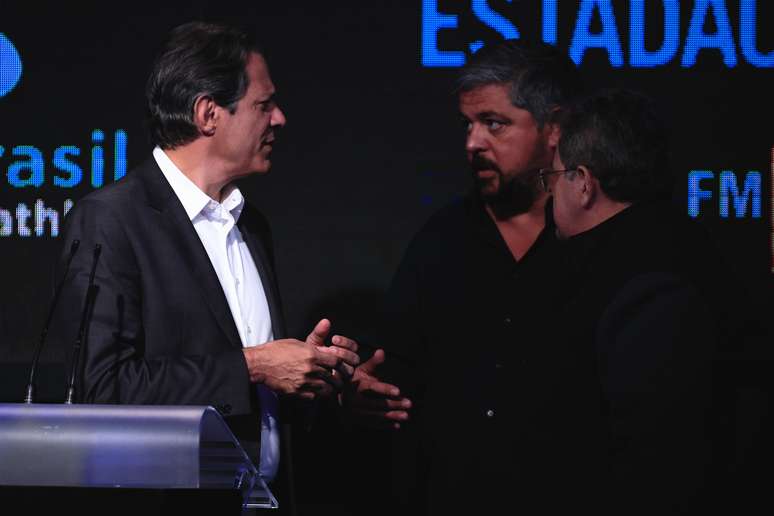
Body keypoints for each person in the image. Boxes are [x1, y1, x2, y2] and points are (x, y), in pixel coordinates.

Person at [48, 21, 360, 509]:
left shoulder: (251, 224)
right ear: (208, 114)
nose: (279, 119)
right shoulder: (111, 220)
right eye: (263, 104)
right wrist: (255, 366)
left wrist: (314, 374)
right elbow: (100, 389)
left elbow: (258, 395)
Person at [346, 39, 583, 514]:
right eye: (468, 125)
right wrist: (362, 392)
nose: (472, 143)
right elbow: (393, 367)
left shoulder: (599, 241)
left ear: (555, 128)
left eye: (494, 124)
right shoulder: (442, 239)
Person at [539, 88, 746, 514]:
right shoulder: (670, 250)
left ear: (583, 184)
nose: (548, 195)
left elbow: (657, 464)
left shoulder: (647, 288)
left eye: (553, 178)